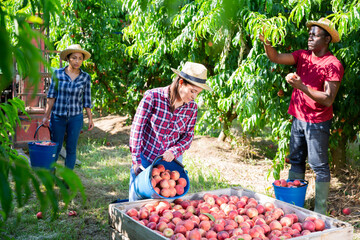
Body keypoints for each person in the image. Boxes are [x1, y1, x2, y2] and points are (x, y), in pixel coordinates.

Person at [259, 18, 344, 214]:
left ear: (327, 40)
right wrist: (266, 40)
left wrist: (301, 87)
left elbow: (328, 99)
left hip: (317, 122)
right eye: (310, 35)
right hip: (299, 117)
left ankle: (320, 211)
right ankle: (294, 205)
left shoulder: (333, 64)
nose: (310, 38)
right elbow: (276, 57)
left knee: (318, 165)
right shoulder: (303, 56)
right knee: (296, 159)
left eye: (315, 36)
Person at [128, 62, 212, 201]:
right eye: (192, 91)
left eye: (198, 93)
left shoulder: (192, 108)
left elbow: (188, 137)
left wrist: (174, 151)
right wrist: (136, 161)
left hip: (170, 162)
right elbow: (137, 128)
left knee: (165, 205)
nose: (194, 97)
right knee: (137, 199)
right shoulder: (153, 97)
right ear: (181, 83)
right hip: (147, 156)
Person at [42, 44, 94, 170]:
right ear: (68, 58)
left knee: (71, 148)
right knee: (56, 147)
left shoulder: (85, 77)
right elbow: (51, 97)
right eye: (74, 58)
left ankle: (68, 179)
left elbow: (87, 99)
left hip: (76, 118)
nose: (77, 61)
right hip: (58, 117)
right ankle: (50, 175)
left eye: (80, 58)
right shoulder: (58, 74)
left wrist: (90, 119)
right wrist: (46, 116)